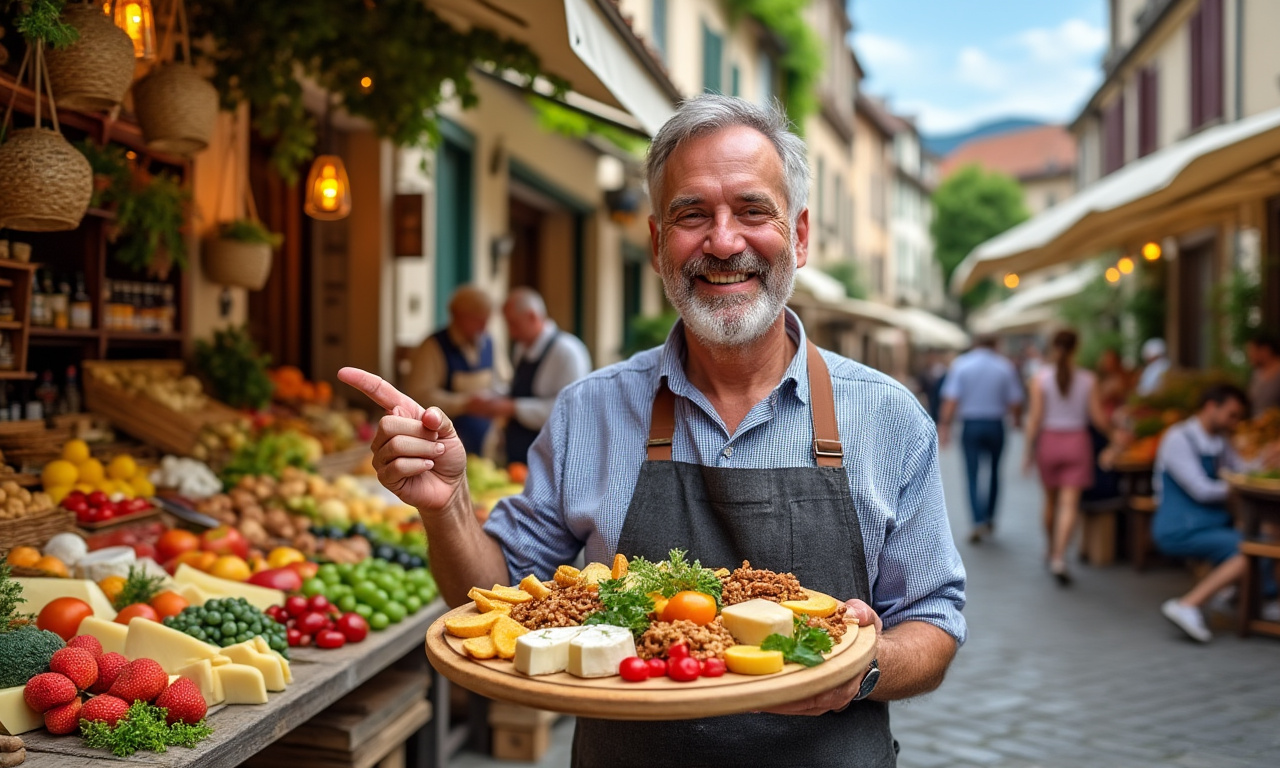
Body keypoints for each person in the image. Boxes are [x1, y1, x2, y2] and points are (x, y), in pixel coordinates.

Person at [339, 94, 964, 767]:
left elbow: (932, 622)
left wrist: (863, 671)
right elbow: (488, 599)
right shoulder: (590, 411)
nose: (724, 242)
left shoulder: (888, 416)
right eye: (692, 214)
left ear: (800, 235)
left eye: (753, 211)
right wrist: (448, 506)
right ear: (658, 243)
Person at [1152, 385, 1256, 643]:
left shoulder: (1220, 441)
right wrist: (1236, 485)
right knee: (1250, 549)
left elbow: (1244, 469)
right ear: (1211, 406)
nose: (1235, 422)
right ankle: (1188, 604)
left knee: (1261, 538)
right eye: (1232, 415)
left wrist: (1275, 455)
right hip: (1179, 527)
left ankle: (1232, 596)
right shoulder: (1178, 438)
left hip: (1209, 524)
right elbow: (1202, 490)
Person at [1023, 330, 1108, 585]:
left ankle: (1050, 549)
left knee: (1050, 501)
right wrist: (1115, 435)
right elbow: (1097, 417)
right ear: (1077, 348)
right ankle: (1060, 557)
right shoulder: (1088, 379)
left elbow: (1035, 418)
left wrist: (1028, 450)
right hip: (1077, 442)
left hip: (1049, 441)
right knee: (1069, 504)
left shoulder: (1040, 378)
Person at [475, 287, 592, 465]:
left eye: (514, 324)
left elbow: (569, 410)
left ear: (532, 316)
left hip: (553, 458)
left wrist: (511, 408)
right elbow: (518, 390)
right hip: (519, 454)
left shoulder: (568, 352)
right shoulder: (522, 348)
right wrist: (494, 399)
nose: (512, 333)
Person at [940, 335, 1025, 543]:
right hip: (995, 424)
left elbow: (951, 399)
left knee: (972, 473)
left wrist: (945, 426)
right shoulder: (1004, 366)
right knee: (995, 472)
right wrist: (1015, 420)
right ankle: (989, 518)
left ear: (975, 344)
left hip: (971, 424)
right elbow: (1015, 400)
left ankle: (977, 520)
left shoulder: (961, 364)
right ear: (995, 344)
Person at [403, 285, 498, 456]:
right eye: (478, 320)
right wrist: (465, 404)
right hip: (446, 442)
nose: (484, 327)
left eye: (486, 320)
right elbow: (419, 394)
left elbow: (501, 380)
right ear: (459, 316)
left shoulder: (488, 342)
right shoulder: (434, 347)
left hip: (487, 439)